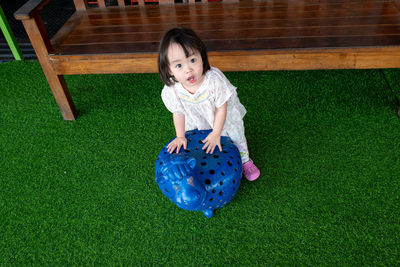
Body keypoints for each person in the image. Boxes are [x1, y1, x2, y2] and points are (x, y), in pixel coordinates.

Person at [157, 27, 260, 181]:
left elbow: (221, 108)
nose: (188, 70)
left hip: (221, 116)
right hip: (196, 118)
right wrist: (180, 136)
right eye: (179, 65)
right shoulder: (172, 89)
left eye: (192, 60)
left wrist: (216, 132)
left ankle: (245, 160)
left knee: (235, 135)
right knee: (200, 139)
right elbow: (178, 112)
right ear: (169, 70)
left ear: (202, 57)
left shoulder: (214, 80)